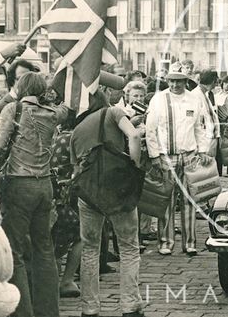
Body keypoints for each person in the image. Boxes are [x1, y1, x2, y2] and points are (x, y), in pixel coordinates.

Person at [0, 72, 69, 317]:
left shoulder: (13, 110)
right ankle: (49, 312)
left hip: (19, 184)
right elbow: (66, 108)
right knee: (44, 249)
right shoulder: (52, 114)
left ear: (20, 87)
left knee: (14, 250)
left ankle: (22, 311)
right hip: (44, 185)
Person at [70, 90, 145, 317]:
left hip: (89, 194)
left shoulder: (77, 130)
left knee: (90, 250)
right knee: (129, 246)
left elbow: (76, 167)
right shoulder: (113, 112)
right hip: (117, 189)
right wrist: (134, 166)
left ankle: (90, 309)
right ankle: (130, 306)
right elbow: (134, 136)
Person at [145, 62, 210, 256]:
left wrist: (203, 150)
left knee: (190, 200)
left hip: (189, 156)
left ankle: (190, 243)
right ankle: (166, 242)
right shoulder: (158, 99)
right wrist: (154, 155)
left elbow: (200, 128)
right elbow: (150, 129)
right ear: (168, 81)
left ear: (185, 81)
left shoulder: (194, 99)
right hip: (167, 156)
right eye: (172, 81)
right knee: (167, 200)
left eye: (179, 81)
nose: (175, 85)